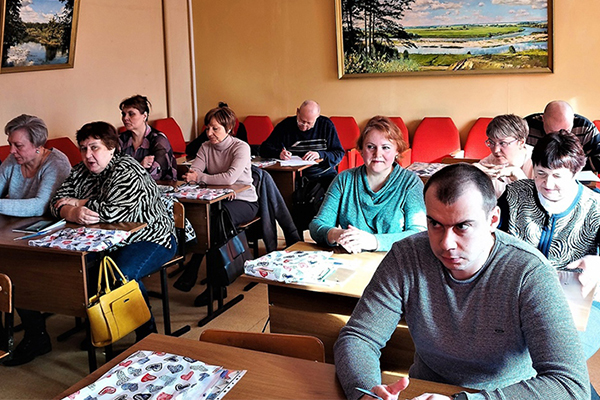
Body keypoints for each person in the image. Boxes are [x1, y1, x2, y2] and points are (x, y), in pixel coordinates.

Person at [334, 163, 589, 400]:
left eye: (462, 226)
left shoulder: (530, 272)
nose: (446, 243)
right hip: (425, 389)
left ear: (493, 220)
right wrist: (366, 393)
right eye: (435, 224)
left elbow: (570, 384)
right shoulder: (406, 256)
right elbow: (359, 337)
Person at [3, 121, 176, 368]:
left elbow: (110, 211)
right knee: (40, 269)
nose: (88, 155)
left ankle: (148, 338)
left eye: (95, 148)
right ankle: (45, 335)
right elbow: (55, 203)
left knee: (119, 274)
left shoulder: (127, 169)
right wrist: (71, 211)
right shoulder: (80, 170)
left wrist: (78, 202)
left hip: (151, 237)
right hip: (104, 243)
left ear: (111, 148)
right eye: (83, 148)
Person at [498, 132, 600, 397]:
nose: (547, 184)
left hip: (577, 302)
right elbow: (493, 241)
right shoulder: (514, 195)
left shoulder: (594, 208)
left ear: (575, 173)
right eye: (541, 173)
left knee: (558, 361)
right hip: (516, 295)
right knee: (511, 360)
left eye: (558, 176)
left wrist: (596, 262)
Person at [174, 105, 258, 307]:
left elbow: (229, 178)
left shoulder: (240, 147)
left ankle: (202, 274)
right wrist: (199, 177)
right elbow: (193, 173)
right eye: (208, 128)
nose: (209, 133)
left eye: (215, 128)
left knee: (216, 221)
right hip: (218, 200)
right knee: (206, 219)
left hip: (244, 201)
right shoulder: (205, 147)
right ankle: (214, 282)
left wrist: (201, 178)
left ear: (228, 129)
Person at [309, 116, 426, 253]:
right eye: (370, 147)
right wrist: (337, 234)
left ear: (397, 151)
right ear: (361, 150)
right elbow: (317, 225)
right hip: (353, 260)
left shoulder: (411, 183)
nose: (377, 154)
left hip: (396, 260)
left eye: (386, 147)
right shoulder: (344, 180)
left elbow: (419, 234)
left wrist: (374, 241)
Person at [0, 114, 71, 217]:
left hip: (46, 222)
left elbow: (40, 206)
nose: (11, 151)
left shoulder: (57, 163)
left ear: (38, 145)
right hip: (15, 221)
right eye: (10, 144)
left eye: (18, 146)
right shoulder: (13, 159)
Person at [259, 100, 344, 182]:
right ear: (297, 112)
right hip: (294, 176)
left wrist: (320, 154)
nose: (304, 126)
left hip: (322, 174)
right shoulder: (285, 125)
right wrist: (279, 154)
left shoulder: (326, 125)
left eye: (309, 123)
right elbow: (263, 149)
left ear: (317, 117)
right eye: (301, 121)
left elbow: (338, 153)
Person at [525, 100, 600, 172]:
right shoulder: (527, 127)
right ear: (543, 119)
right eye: (552, 132)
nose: (559, 137)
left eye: (566, 131)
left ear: (573, 120)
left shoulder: (585, 127)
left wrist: (571, 168)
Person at [119, 94, 178, 181]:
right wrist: (140, 166)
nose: (125, 118)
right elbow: (113, 173)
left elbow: (155, 175)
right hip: (128, 187)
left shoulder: (159, 140)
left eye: (131, 114)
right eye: (123, 114)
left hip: (161, 187)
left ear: (144, 116)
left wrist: (128, 171)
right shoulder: (121, 139)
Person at [474, 114, 534, 198]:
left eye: (502, 143)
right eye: (491, 142)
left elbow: (542, 204)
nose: (496, 150)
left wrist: (519, 177)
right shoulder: (488, 163)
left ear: (521, 142)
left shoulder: (540, 162)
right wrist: (471, 174)